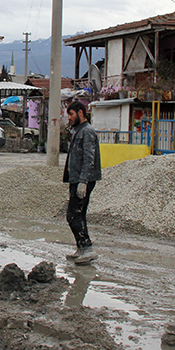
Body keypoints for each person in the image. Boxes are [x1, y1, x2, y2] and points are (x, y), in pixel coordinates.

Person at [63, 101, 102, 264]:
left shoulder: (87, 132)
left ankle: (87, 248)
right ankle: (81, 248)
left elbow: (89, 158)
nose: (69, 118)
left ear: (80, 113)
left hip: (83, 180)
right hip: (76, 179)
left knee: (73, 215)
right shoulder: (78, 131)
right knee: (79, 214)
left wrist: (83, 182)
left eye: (71, 114)